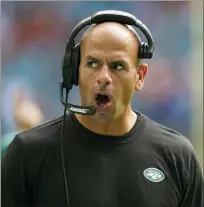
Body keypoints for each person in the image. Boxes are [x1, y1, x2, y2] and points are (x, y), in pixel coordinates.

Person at [2, 11, 203, 207]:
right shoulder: (28, 153)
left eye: (117, 66)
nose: (104, 77)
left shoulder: (177, 156)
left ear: (140, 77)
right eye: (92, 63)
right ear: (74, 72)